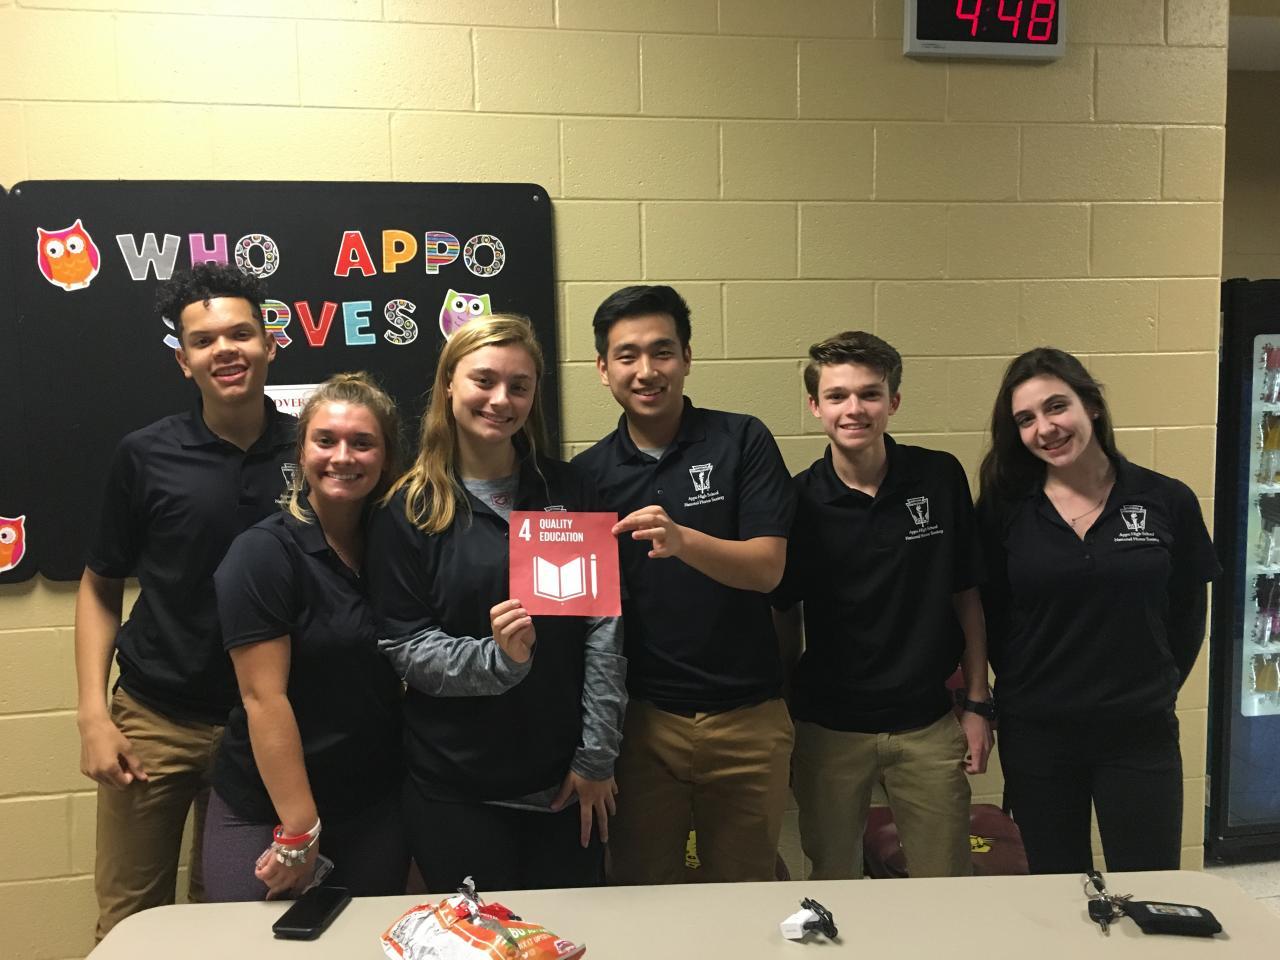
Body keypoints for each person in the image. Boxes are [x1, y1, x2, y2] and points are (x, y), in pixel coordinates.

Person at [366, 314, 626, 893]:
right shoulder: (408, 509)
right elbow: (407, 647)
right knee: (478, 937)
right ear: (448, 385)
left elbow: (603, 630)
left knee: (573, 932)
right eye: (484, 380)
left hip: (566, 782)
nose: (501, 399)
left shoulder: (570, 491)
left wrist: (596, 756)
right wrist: (499, 661)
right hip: (457, 790)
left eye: (519, 385)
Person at [74, 263, 295, 938]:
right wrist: (93, 715)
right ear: (183, 360)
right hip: (156, 720)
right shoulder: (145, 455)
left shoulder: (317, 452)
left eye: (240, 334)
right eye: (204, 341)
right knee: (129, 921)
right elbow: (100, 584)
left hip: (265, 727)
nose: (225, 350)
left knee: (237, 917)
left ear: (270, 344)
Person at [573, 285, 796, 885]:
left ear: (687, 358)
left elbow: (768, 569)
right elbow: (588, 613)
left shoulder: (742, 440)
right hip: (641, 725)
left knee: (745, 893)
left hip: (748, 719)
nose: (646, 371)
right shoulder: (587, 475)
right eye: (627, 355)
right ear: (603, 369)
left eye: (662, 351)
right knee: (642, 892)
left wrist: (683, 540)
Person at [976, 347, 1220, 874]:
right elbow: (989, 614)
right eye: (1025, 419)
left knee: (1151, 883)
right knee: (1057, 885)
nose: (1045, 428)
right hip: (1038, 734)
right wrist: (1023, 685)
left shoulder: (1165, 498)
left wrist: (1154, 685)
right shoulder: (1004, 508)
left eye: (1056, 406)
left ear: (1091, 405)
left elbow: (1187, 614)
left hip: (1139, 731)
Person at [772, 331, 992, 880]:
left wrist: (978, 703)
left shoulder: (938, 477)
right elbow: (784, 614)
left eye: (869, 394)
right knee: (834, 882)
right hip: (828, 728)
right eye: (837, 395)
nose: (854, 409)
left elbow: (966, 594)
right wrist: (784, 713)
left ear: (893, 401)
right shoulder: (795, 500)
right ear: (815, 406)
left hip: (927, 723)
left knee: (946, 883)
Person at [203, 373, 408, 900]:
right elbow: (263, 698)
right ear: (302, 451)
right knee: (250, 939)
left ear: (386, 457)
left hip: (370, 803)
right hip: (270, 808)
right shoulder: (265, 553)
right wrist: (299, 829)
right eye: (326, 440)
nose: (343, 457)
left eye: (362, 443)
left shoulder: (397, 548)